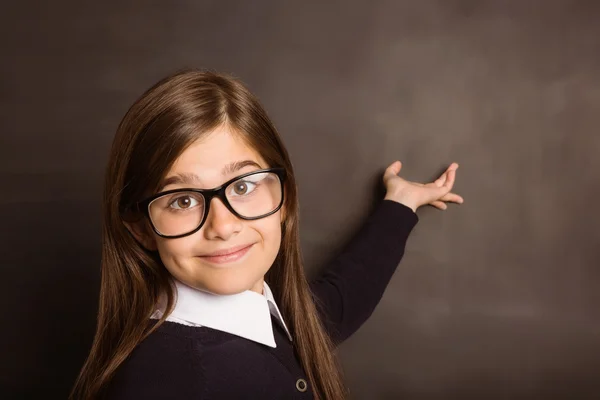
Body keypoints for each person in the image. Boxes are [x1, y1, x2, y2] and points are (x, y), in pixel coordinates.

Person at [70, 69, 463, 400]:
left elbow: (339, 302)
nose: (223, 227)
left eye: (243, 186)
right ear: (141, 229)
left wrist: (400, 204)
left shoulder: (268, 318)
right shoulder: (172, 381)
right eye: (183, 200)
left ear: (285, 198)